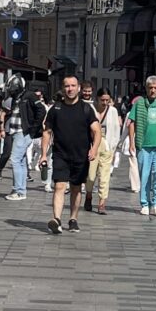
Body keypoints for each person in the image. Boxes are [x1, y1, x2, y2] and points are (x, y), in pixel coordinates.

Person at [41, 75, 100, 233]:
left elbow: (97, 131)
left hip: (81, 155)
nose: (70, 89)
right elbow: (47, 132)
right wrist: (43, 155)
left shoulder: (86, 109)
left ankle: (73, 218)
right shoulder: (56, 108)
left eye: (73, 86)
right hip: (60, 154)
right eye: (67, 86)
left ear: (79, 88)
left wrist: (94, 149)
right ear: (63, 88)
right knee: (59, 186)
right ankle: (57, 219)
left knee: (75, 188)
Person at [128, 76, 156, 216]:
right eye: (150, 88)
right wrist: (131, 143)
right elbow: (132, 123)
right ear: (146, 88)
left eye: (155, 88)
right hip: (143, 145)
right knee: (144, 175)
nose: (152, 90)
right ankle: (145, 203)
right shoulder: (139, 104)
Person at [2, 76, 46, 201]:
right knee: (20, 161)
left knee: (15, 160)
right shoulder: (17, 97)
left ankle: (19, 191)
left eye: (13, 88)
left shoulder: (30, 96)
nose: (11, 91)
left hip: (23, 132)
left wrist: (32, 129)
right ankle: (20, 189)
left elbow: (41, 110)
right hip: (16, 132)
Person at [84, 88, 121, 214]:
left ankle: (102, 203)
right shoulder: (90, 109)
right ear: (97, 98)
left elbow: (116, 130)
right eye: (102, 100)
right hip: (92, 144)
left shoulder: (113, 111)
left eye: (107, 100)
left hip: (106, 145)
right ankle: (88, 195)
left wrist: (113, 147)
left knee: (104, 176)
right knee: (91, 175)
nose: (105, 102)